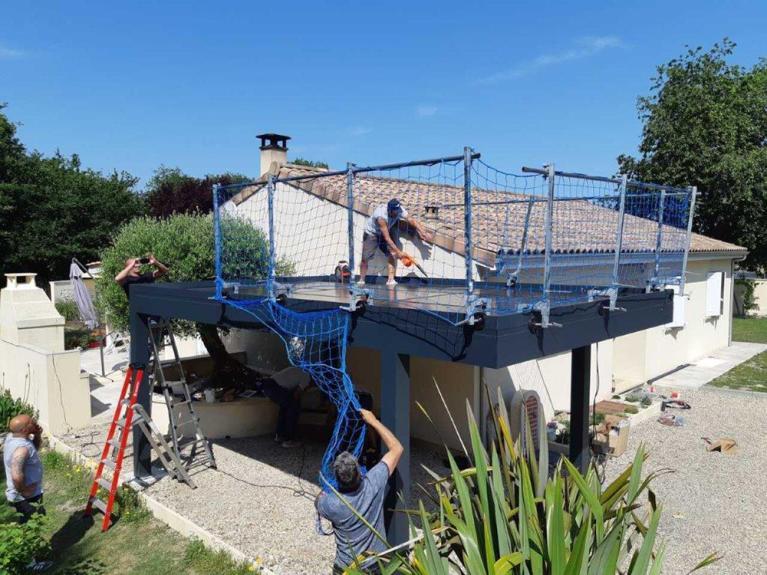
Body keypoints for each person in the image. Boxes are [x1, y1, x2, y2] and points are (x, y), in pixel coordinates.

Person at [316, 409, 404, 573]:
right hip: (376, 564)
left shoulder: (330, 504)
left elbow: (318, 501)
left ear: (337, 478)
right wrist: (373, 421)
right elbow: (397, 448)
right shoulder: (374, 483)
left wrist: (325, 492)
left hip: (346, 568)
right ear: (359, 471)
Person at [4, 414, 52, 572]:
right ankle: (32, 565)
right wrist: (24, 489)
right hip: (27, 497)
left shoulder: (14, 438)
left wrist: (36, 434)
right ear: (25, 429)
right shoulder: (21, 448)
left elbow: (35, 447)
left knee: (30, 525)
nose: (35, 422)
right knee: (30, 528)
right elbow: (16, 475)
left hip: (24, 495)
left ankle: (33, 556)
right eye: (31, 422)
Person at [358, 199, 432, 286]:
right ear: (389, 210)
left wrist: (423, 232)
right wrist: (399, 252)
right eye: (395, 211)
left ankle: (390, 280)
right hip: (372, 234)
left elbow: (411, 219)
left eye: (398, 210)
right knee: (365, 258)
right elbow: (387, 238)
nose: (397, 212)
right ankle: (361, 280)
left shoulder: (399, 209)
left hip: (385, 232)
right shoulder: (381, 217)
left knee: (392, 254)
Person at [255, 366, 312, 448]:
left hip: (267, 385)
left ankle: (280, 436)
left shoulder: (296, 368)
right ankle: (288, 440)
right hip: (277, 388)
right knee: (293, 410)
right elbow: (296, 394)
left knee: (284, 409)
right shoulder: (307, 376)